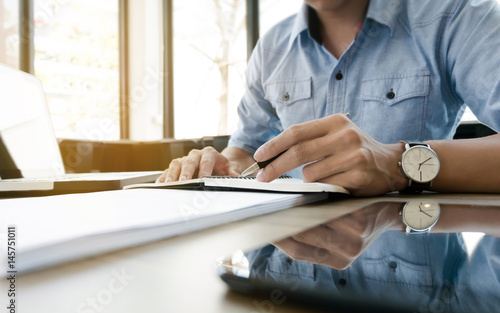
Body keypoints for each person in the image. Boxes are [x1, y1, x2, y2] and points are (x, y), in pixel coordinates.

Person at [158, 0, 500, 196]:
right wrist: (225, 168)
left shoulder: (457, 18)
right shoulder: (272, 46)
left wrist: (398, 164)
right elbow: (246, 147)